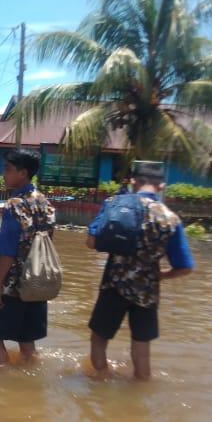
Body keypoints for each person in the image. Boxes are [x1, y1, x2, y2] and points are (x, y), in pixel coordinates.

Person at [86, 161, 194, 381]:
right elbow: (185, 267)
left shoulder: (115, 203)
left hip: (113, 285)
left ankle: (100, 381)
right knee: (141, 345)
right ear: (161, 186)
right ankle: (141, 389)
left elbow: (91, 241)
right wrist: (161, 275)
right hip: (147, 291)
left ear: (133, 182)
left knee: (99, 339)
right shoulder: (170, 219)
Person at [0, 151, 53, 364]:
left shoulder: (14, 205)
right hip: (37, 280)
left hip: (12, 282)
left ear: (23, 173)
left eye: (8, 170)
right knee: (27, 340)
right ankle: (29, 382)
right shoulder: (45, 203)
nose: (3, 175)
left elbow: (8, 250)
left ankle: (3, 385)